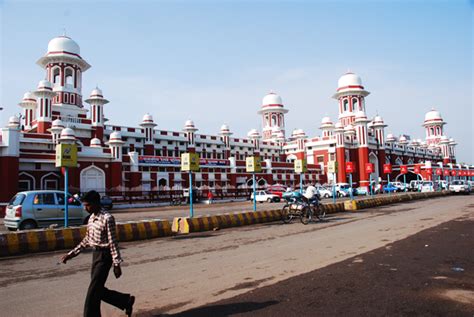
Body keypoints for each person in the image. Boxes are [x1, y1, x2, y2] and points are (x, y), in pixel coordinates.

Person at [60, 190, 135, 317]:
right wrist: (71, 254)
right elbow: (87, 240)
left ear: (96, 203)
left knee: (92, 292)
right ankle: (125, 301)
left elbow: (113, 242)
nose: (86, 208)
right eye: (84, 205)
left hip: (105, 257)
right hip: (95, 256)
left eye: (88, 205)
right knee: (97, 289)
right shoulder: (90, 219)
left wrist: (117, 264)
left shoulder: (107, 218)